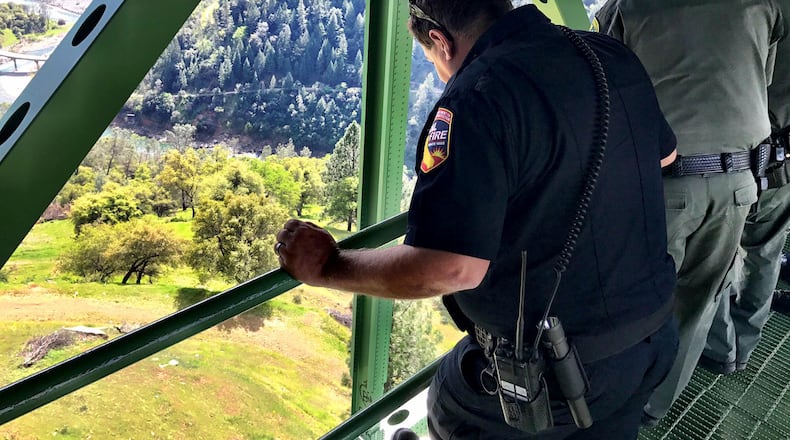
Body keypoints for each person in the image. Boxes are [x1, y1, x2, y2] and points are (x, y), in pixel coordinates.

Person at [277, 1, 678, 438]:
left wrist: (328, 266)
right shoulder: (607, 54)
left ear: (439, 41)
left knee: (450, 401)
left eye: (431, 59)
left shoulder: (477, 98)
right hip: (651, 337)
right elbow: (664, 155)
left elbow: (449, 267)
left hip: (561, 373)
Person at [595, 0, 785, 428]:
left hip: (661, 184)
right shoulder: (761, 5)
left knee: (630, 302)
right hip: (739, 180)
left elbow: (605, 76)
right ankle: (652, 408)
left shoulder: (629, 6)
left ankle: (612, 406)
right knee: (698, 302)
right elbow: (761, 77)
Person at [701, 0, 790, 376]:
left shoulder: (761, 7)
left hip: (743, 153)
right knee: (765, 250)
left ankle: (721, 348)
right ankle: (745, 340)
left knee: (715, 256)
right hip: (783, 158)